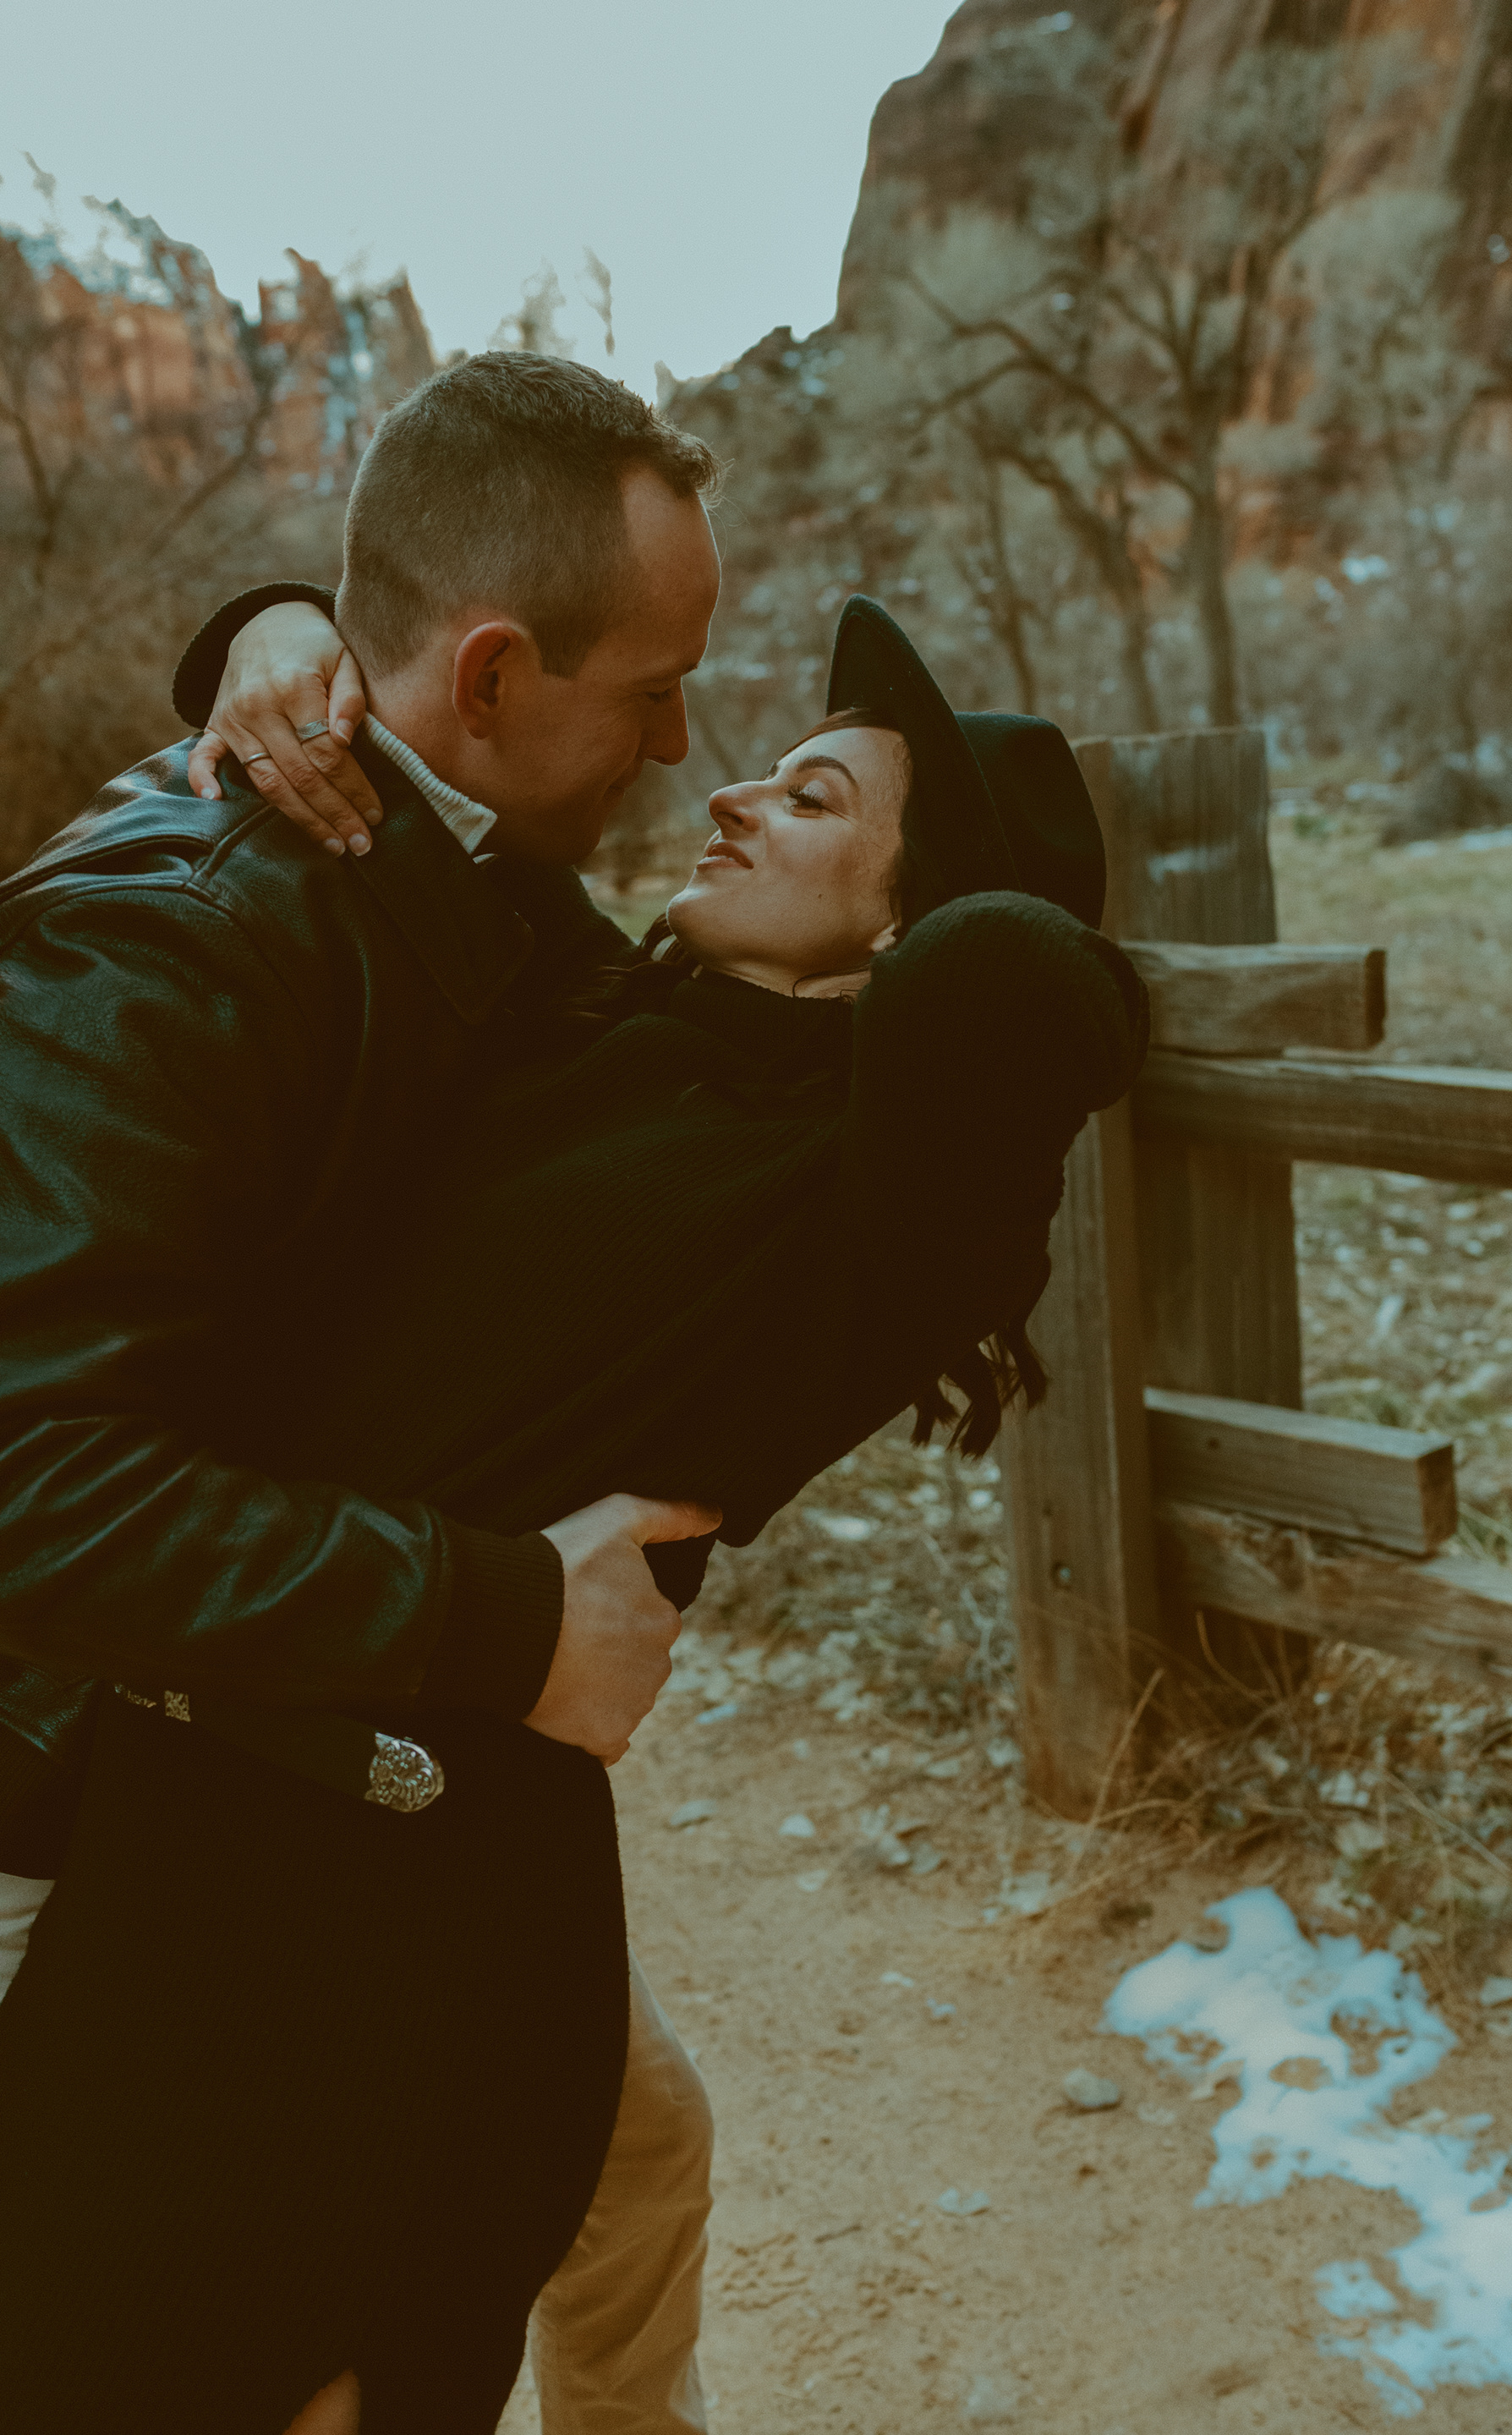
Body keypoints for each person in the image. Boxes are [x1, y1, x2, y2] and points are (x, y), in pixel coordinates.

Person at [0, 552, 1148, 2431]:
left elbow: (1014, 983)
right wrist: (282, 641)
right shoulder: (583, 994)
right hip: (245, 1816)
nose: (726, 785)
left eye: (811, 795)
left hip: (402, 1871)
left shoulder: (858, 1202)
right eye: (746, 754)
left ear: (906, 926)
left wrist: (951, 895)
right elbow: (412, 788)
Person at [0, 353, 731, 2435]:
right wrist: (503, 1617)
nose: (685, 739)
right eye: (654, 690)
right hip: (72, 1818)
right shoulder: (174, 946)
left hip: (294, 1736)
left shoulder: (461, 867)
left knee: (625, 2141)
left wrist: (260, 628)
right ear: (491, 673)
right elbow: (22, 1486)